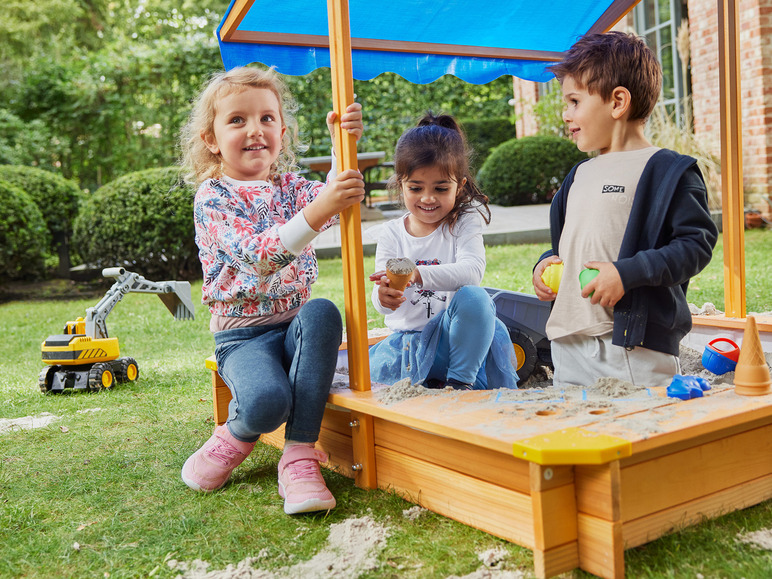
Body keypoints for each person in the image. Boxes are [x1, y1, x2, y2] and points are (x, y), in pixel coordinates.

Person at [178, 66, 365, 514]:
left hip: (296, 326)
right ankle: (234, 435)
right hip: (243, 336)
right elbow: (261, 256)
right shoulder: (214, 197)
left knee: (322, 312)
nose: (255, 130)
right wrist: (323, 206)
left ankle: (299, 456)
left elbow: (333, 203)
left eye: (266, 118)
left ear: (281, 130)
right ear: (211, 138)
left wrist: (344, 143)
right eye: (237, 120)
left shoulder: (288, 185)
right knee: (267, 401)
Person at [532, 32, 718, 388]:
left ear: (618, 102)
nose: (564, 113)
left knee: (640, 435)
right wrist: (546, 262)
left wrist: (625, 274)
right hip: (567, 343)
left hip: (631, 347)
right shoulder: (578, 175)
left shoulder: (668, 170)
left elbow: (695, 245)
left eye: (574, 101)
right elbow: (571, 244)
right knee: (574, 439)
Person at [368, 113, 519, 390]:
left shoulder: (464, 221)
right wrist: (383, 297)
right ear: (401, 184)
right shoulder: (392, 232)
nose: (428, 198)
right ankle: (440, 380)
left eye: (441, 188)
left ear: (459, 186)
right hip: (410, 348)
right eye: (416, 188)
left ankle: (460, 385)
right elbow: (382, 299)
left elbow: (472, 272)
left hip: (457, 344)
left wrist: (417, 273)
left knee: (475, 297)